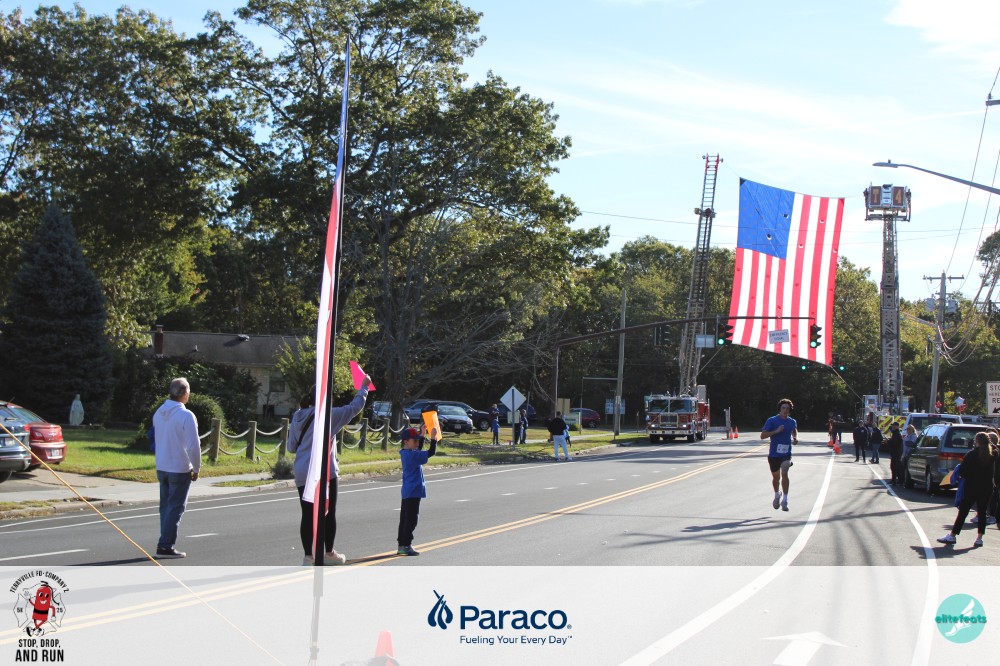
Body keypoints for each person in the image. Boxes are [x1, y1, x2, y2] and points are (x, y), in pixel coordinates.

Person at [287, 376, 371, 566]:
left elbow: (291, 447)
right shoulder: (328, 415)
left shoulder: (298, 416)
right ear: (327, 398)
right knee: (328, 511)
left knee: (307, 514)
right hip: (325, 471)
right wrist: (364, 387)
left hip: (303, 470)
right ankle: (329, 552)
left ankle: (308, 556)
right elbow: (354, 408)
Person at [153, 378, 201, 559]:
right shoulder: (186, 415)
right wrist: (196, 467)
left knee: (166, 507)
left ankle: (164, 540)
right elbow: (193, 446)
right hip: (179, 467)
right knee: (175, 508)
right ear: (184, 393)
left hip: (162, 465)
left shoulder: (159, 412)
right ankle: (165, 545)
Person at [937, 431, 997, 547]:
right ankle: (979, 538)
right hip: (987, 487)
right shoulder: (993, 454)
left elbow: (963, 471)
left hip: (972, 487)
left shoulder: (972, 454)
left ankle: (953, 535)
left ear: (977, 441)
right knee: (982, 512)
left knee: (963, 512)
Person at [397, 425, 439, 556]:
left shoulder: (407, 453)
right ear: (406, 441)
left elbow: (418, 450)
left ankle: (402, 544)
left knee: (405, 519)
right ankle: (406, 545)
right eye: (414, 441)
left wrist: (422, 434)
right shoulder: (412, 455)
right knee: (411, 520)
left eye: (417, 440)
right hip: (413, 491)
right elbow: (431, 452)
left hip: (408, 491)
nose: (417, 443)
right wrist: (433, 438)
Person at [760, 398, 798, 511]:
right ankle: (777, 494)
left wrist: (795, 438)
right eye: (783, 408)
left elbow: (794, 430)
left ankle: (785, 500)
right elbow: (762, 436)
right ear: (780, 409)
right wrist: (776, 431)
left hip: (786, 454)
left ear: (790, 410)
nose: (785, 410)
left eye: (787, 408)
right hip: (774, 455)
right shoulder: (772, 420)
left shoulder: (792, 421)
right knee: (776, 478)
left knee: (785, 472)